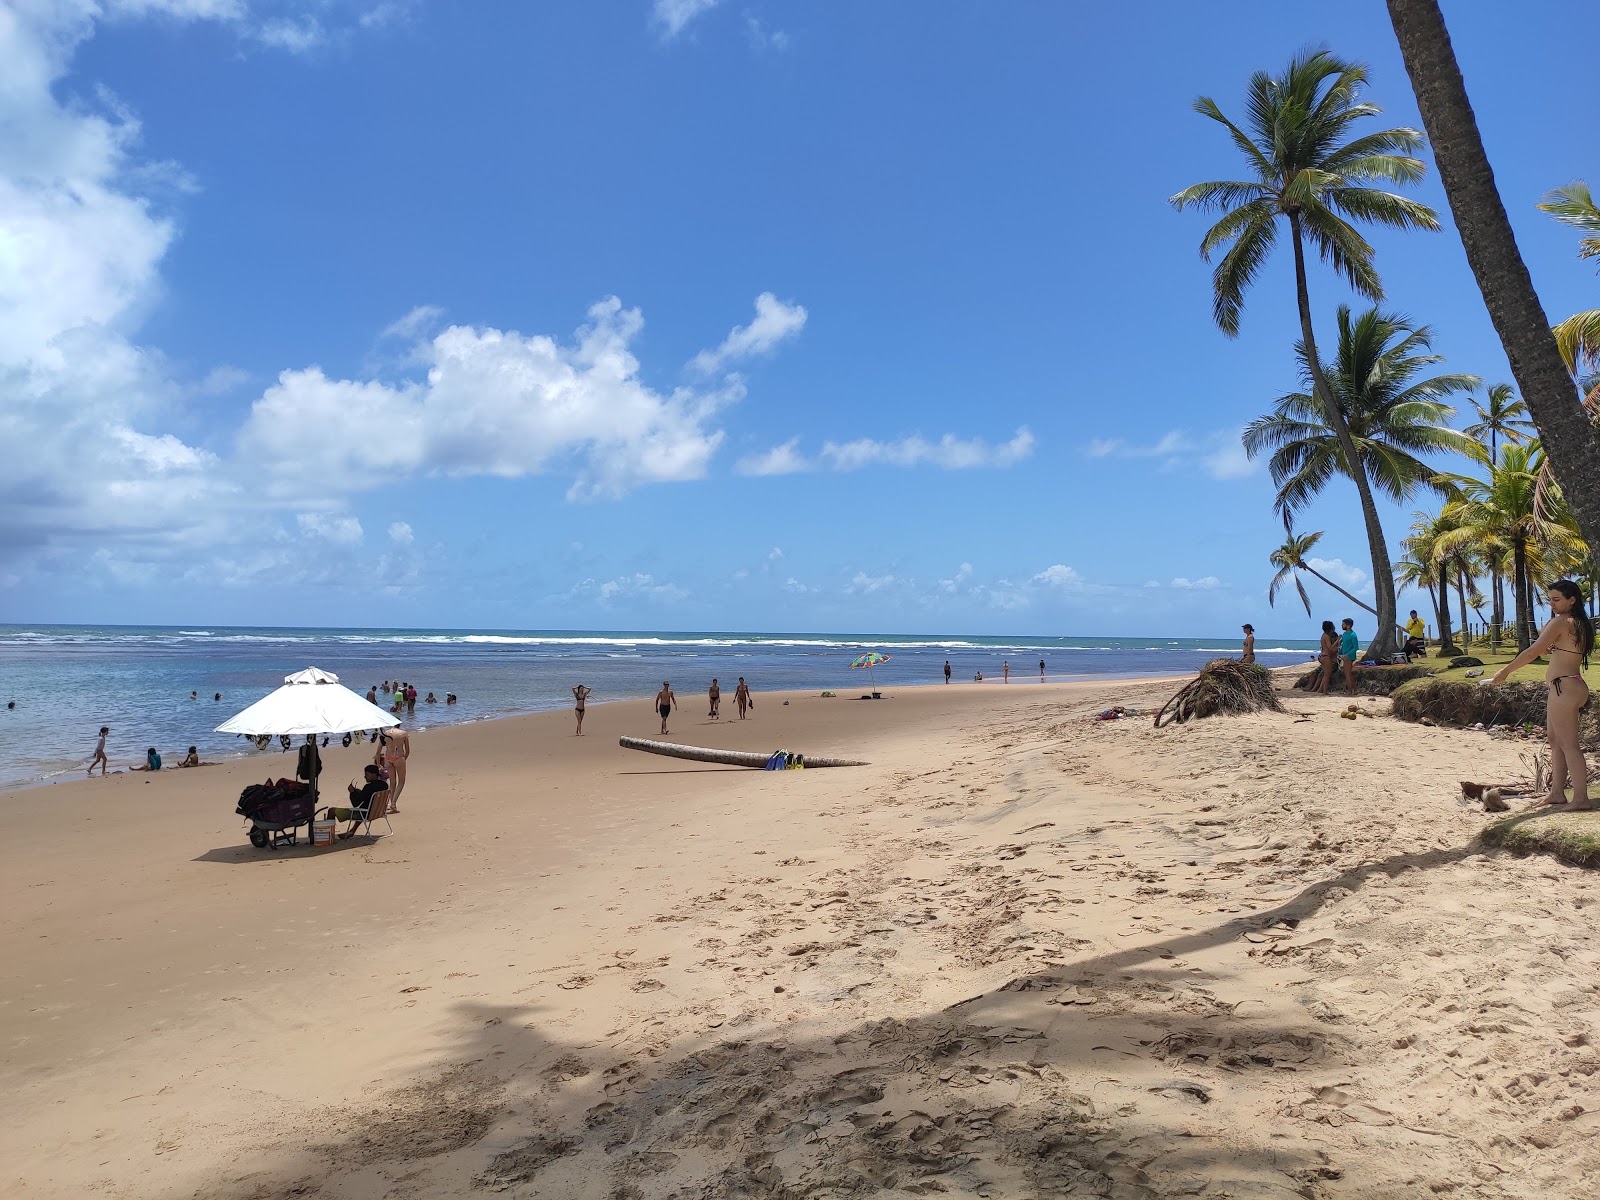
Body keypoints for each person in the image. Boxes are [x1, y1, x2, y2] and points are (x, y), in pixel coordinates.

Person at [1490, 580, 1592, 810]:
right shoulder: (1578, 622)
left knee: (1569, 745)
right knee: (1556, 742)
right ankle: (1557, 793)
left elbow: (1533, 651)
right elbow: (1554, 648)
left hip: (1563, 688)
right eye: (1550, 600)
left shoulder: (1561, 622)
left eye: (1557, 599)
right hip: (1570, 686)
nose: (1552, 604)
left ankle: (1581, 799)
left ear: (1571, 600)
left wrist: (1505, 671)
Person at [336, 764, 390, 839]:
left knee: (331, 811)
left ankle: (329, 835)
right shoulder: (384, 785)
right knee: (363, 809)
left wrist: (352, 793)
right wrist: (359, 792)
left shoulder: (368, 787)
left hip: (366, 814)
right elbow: (369, 795)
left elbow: (355, 804)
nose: (365, 777)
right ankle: (352, 831)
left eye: (367, 774)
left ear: (373, 774)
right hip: (377, 812)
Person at [383, 724, 411, 812]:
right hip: (398, 757)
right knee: (401, 782)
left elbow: (380, 748)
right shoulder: (403, 733)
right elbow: (407, 750)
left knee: (392, 782)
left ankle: (391, 803)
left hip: (388, 758)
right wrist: (403, 760)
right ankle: (393, 804)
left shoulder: (385, 733)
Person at [1316, 621, 1339, 694]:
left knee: (1325, 674)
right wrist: (1338, 640)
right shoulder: (1326, 636)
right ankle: (1324, 691)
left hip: (1323, 656)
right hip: (1326, 656)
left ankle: (1321, 690)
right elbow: (1330, 648)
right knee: (1327, 675)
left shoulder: (1324, 635)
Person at [1339, 618, 1360, 695]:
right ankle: (1354, 689)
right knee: (1347, 673)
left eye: (1343, 624)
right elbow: (1343, 646)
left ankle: (1350, 691)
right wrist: (1339, 653)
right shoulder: (1344, 634)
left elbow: (1356, 647)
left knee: (1347, 674)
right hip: (1345, 656)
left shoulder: (1353, 635)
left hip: (1349, 657)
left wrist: (1347, 655)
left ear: (1348, 625)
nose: (1342, 625)